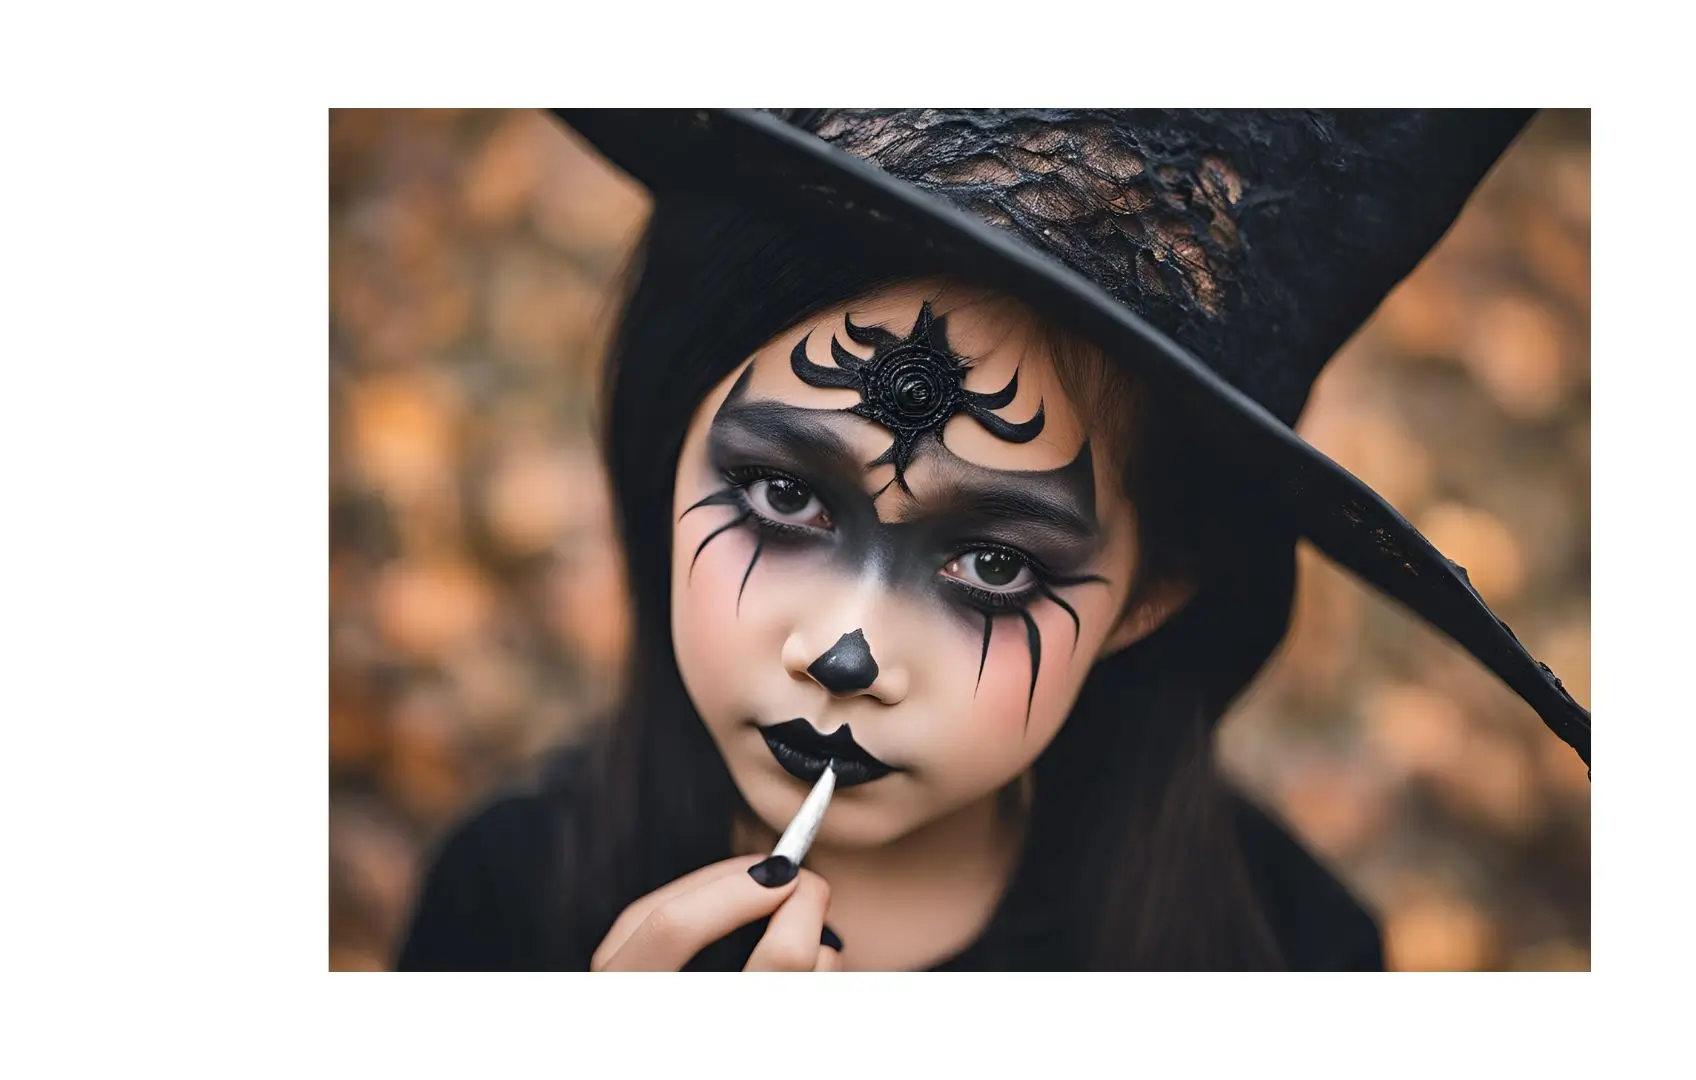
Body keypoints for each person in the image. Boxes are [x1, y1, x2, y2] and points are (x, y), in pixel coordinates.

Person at [394, 109, 1590, 971]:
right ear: (669, 444)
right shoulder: (506, 907)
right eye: (782, 497)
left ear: (1149, 595)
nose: (847, 652)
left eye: (993, 566)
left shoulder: (1289, 959)